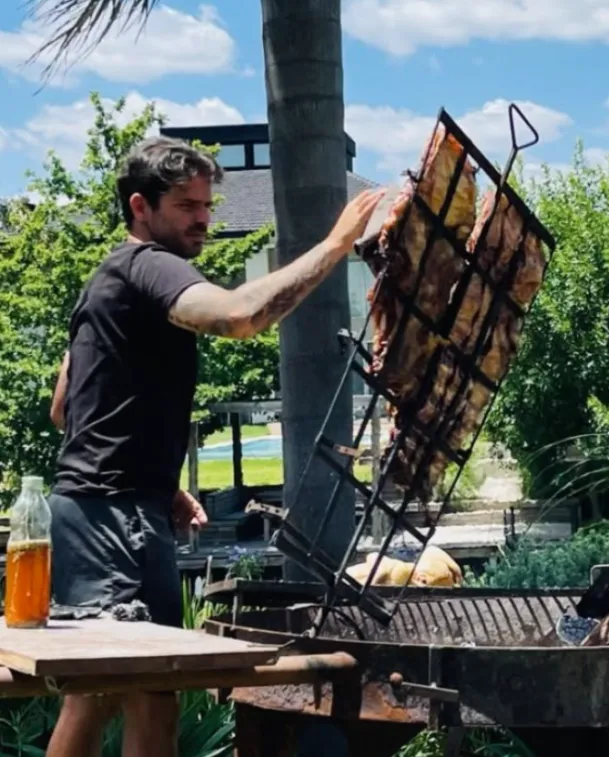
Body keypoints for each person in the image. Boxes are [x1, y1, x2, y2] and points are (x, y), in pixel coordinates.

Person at [44, 135, 385, 757]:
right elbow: (237, 316)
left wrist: (158, 481)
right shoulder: (150, 265)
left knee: (106, 691)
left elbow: (66, 406)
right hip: (113, 517)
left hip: (106, 508)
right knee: (136, 691)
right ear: (141, 207)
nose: (203, 219)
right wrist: (335, 246)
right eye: (186, 206)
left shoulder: (107, 280)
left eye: (206, 205)